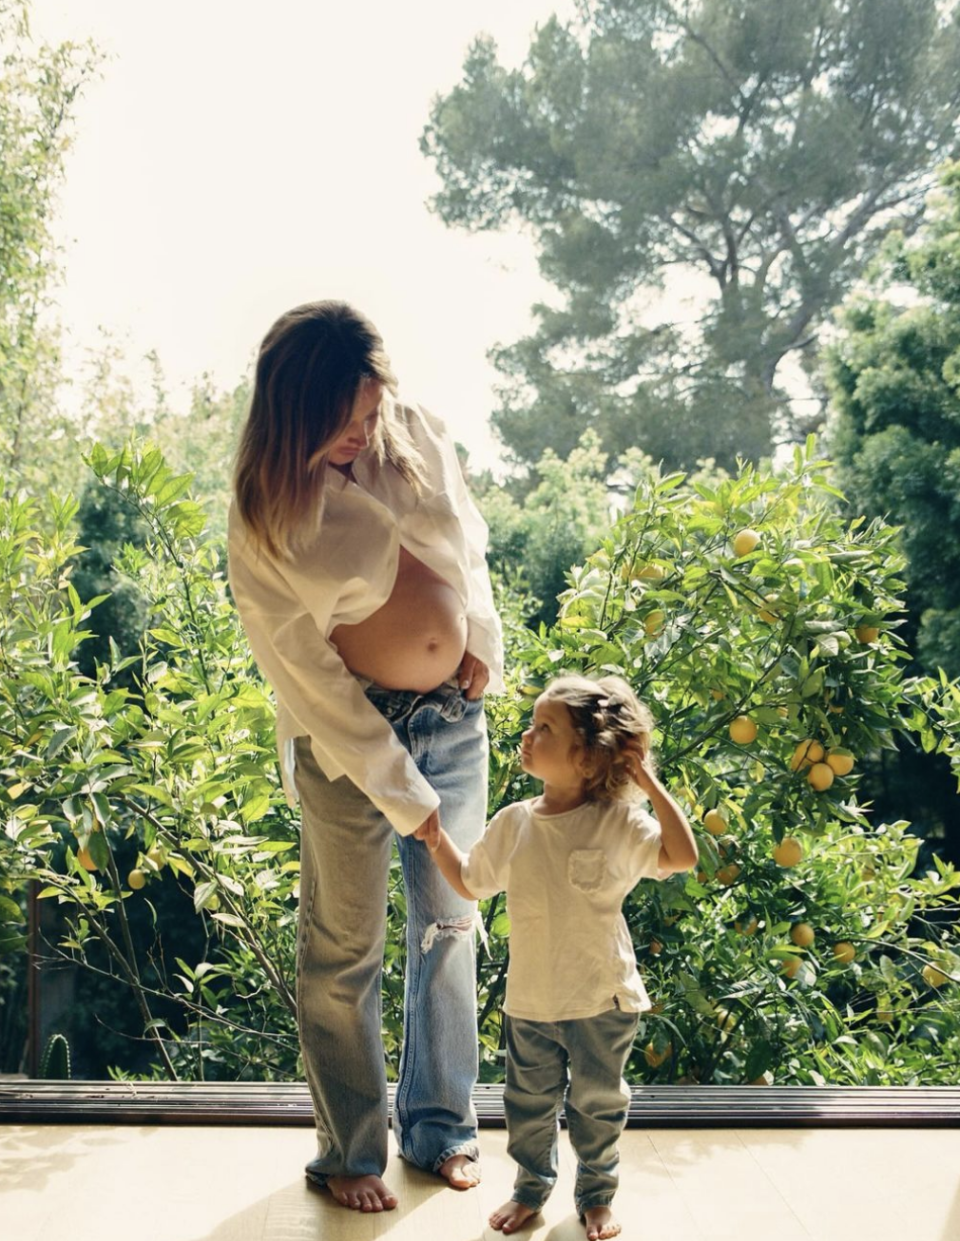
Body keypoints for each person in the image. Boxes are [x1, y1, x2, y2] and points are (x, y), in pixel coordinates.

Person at [228, 300, 503, 1214]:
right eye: (345, 422)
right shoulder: (266, 515)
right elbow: (302, 673)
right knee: (344, 950)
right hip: (351, 740)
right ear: (295, 411)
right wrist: (402, 792)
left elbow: (470, 542)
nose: (365, 431)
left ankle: (442, 1129)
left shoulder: (410, 430)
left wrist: (480, 650)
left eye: (372, 411)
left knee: (452, 928)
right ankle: (348, 1149)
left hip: (455, 716)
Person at [416, 674, 698, 1240]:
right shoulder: (515, 822)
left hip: (602, 997)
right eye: (532, 722)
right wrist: (434, 838)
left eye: (545, 727)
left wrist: (645, 777)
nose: (528, 734)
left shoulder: (619, 823)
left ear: (589, 757)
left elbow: (683, 855)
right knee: (527, 1106)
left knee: (597, 1106)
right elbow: (472, 881)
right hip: (531, 999)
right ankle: (530, 1189)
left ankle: (596, 1195)